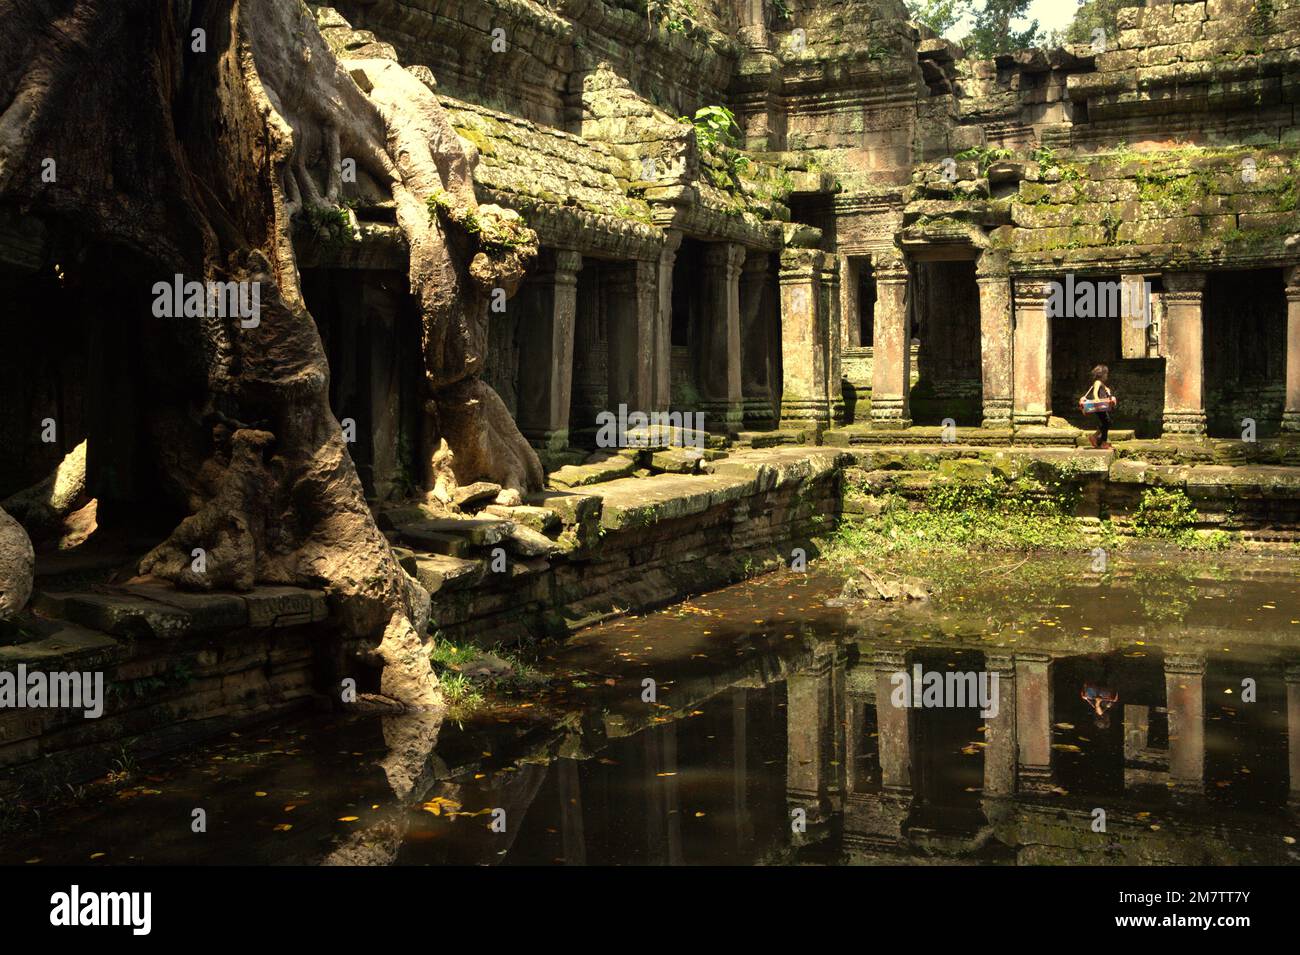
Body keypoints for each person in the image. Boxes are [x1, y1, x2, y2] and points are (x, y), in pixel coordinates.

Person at [1082, 364, 1115, 449]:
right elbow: (1095, 392)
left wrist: (1108, 390)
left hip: (1102, 406)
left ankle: (1095, 437)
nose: (1107, 376)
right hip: (1099, 406)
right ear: (1102, 374)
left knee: (1106, 423)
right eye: (1106, 374)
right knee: (1106, 422)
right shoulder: (1097, 382)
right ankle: (1103, 442)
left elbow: (1106, 389)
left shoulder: (1101, 383)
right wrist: (1096, 399)